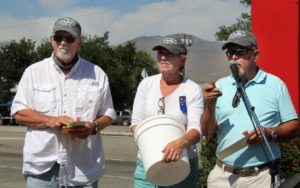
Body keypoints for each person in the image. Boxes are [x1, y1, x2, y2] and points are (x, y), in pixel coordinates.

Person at [11, 17, 116, 188]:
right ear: (52, 40)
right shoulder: (33, 72)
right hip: (42, 169)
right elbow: (18, 113)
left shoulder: (97, 73)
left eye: (70, 38)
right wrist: (50, 120)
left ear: (80, 42)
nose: (63, 43)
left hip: (83, 169)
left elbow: (109, 112)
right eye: (58, 37)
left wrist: (93, 127)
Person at [200, 30, 300, 188]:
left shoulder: (275, 85)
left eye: (239, 52)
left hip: (260, 178)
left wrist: (269, 133)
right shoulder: (220, 85)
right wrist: (210, 106)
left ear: (255, 55)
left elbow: (294, 127)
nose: (233, 57)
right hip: (222, 177)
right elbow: (207, 132)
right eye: (230, 52)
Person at [130, 36, 204, 188]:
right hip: (147, 163)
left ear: (183, 60)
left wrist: (180, 144)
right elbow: (136, 123)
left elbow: (196, 129)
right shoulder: (146, 84)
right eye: (160, 53)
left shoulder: (192, 89)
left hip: (181, 165)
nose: (163, 57)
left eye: (170, 53)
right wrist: (151, 147)